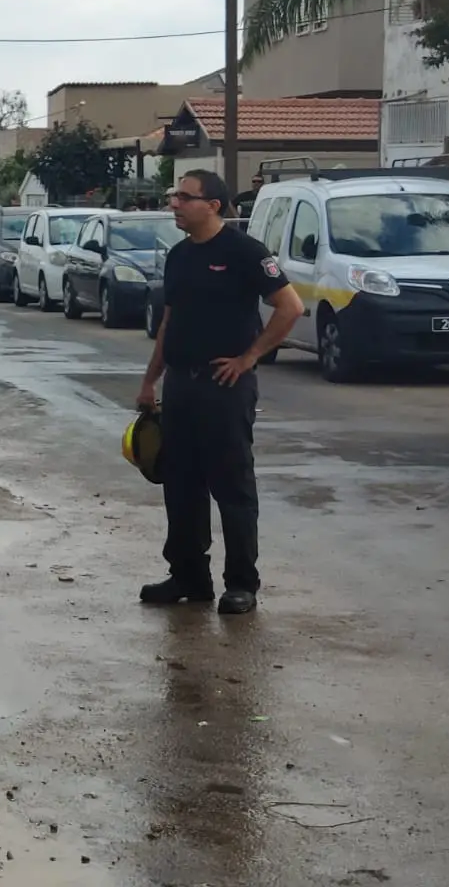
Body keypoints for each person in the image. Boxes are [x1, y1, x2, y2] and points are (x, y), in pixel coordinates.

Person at [136, 170, 301, 615]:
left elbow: (291, 307)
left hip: (225, 388)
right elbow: (169, 323)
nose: (174, 204)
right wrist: (151, 380)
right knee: (181, 486)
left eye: (184, 198)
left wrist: (249, 358)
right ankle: (188, 576)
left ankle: (241, 584)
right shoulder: (178, 257)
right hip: (181, 386)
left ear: (212, 205)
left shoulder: (244, 252)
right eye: (174, 196)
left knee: (232, 488)